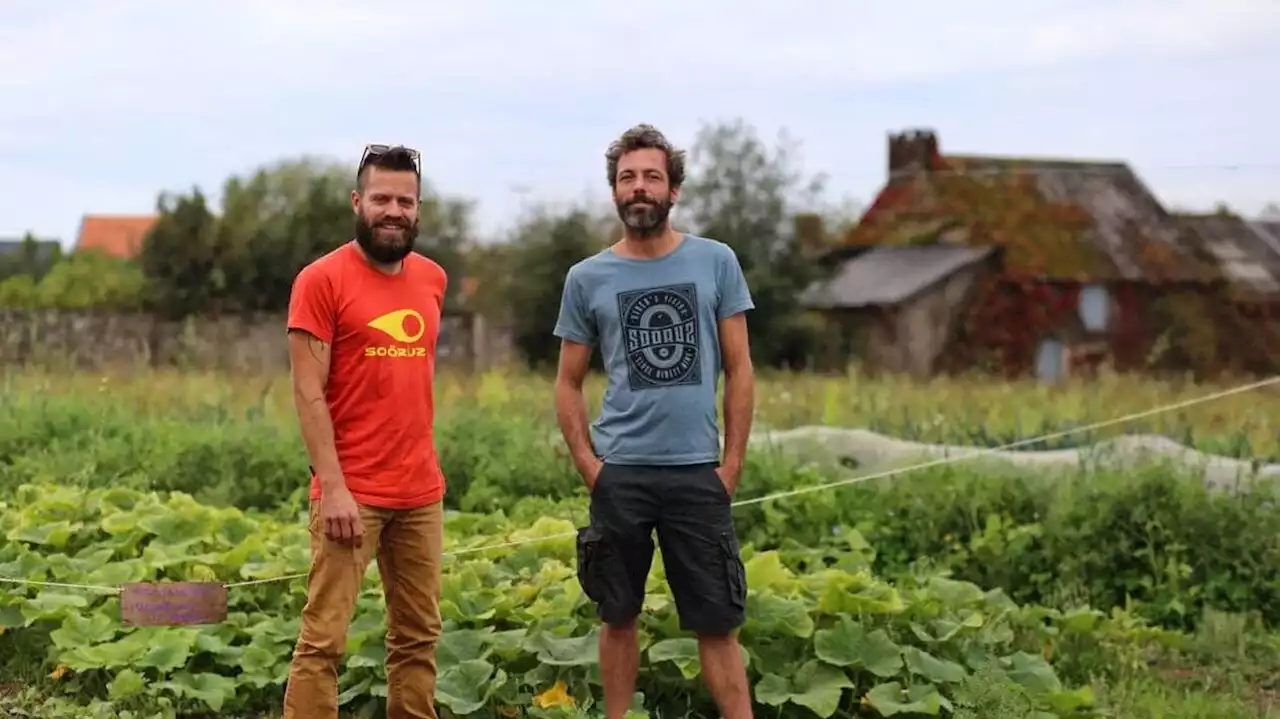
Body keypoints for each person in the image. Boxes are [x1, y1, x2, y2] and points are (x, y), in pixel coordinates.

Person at [553, 124, 756, 719]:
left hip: (698, 473)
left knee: (718, 621)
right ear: (614, 191)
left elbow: (741, 369)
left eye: (651, 177)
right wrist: (592, 467)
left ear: (674, 191)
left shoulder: (715, 262)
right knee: (617, 615)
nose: (639, 188)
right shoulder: (586, 277)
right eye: (627, 178)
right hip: (622, 475)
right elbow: (567, 382)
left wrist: (731, 464)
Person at [282, 144, 448, 719]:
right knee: (323, 642)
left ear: (419, 209)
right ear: (358, 201)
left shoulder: (432, 280)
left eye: (406, 200)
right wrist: (333, 486)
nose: (393, 210)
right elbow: (308, 392)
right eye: (381, 198)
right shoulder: (320, 280)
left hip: (421, 493)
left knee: (418, 640)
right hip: (350, 493)